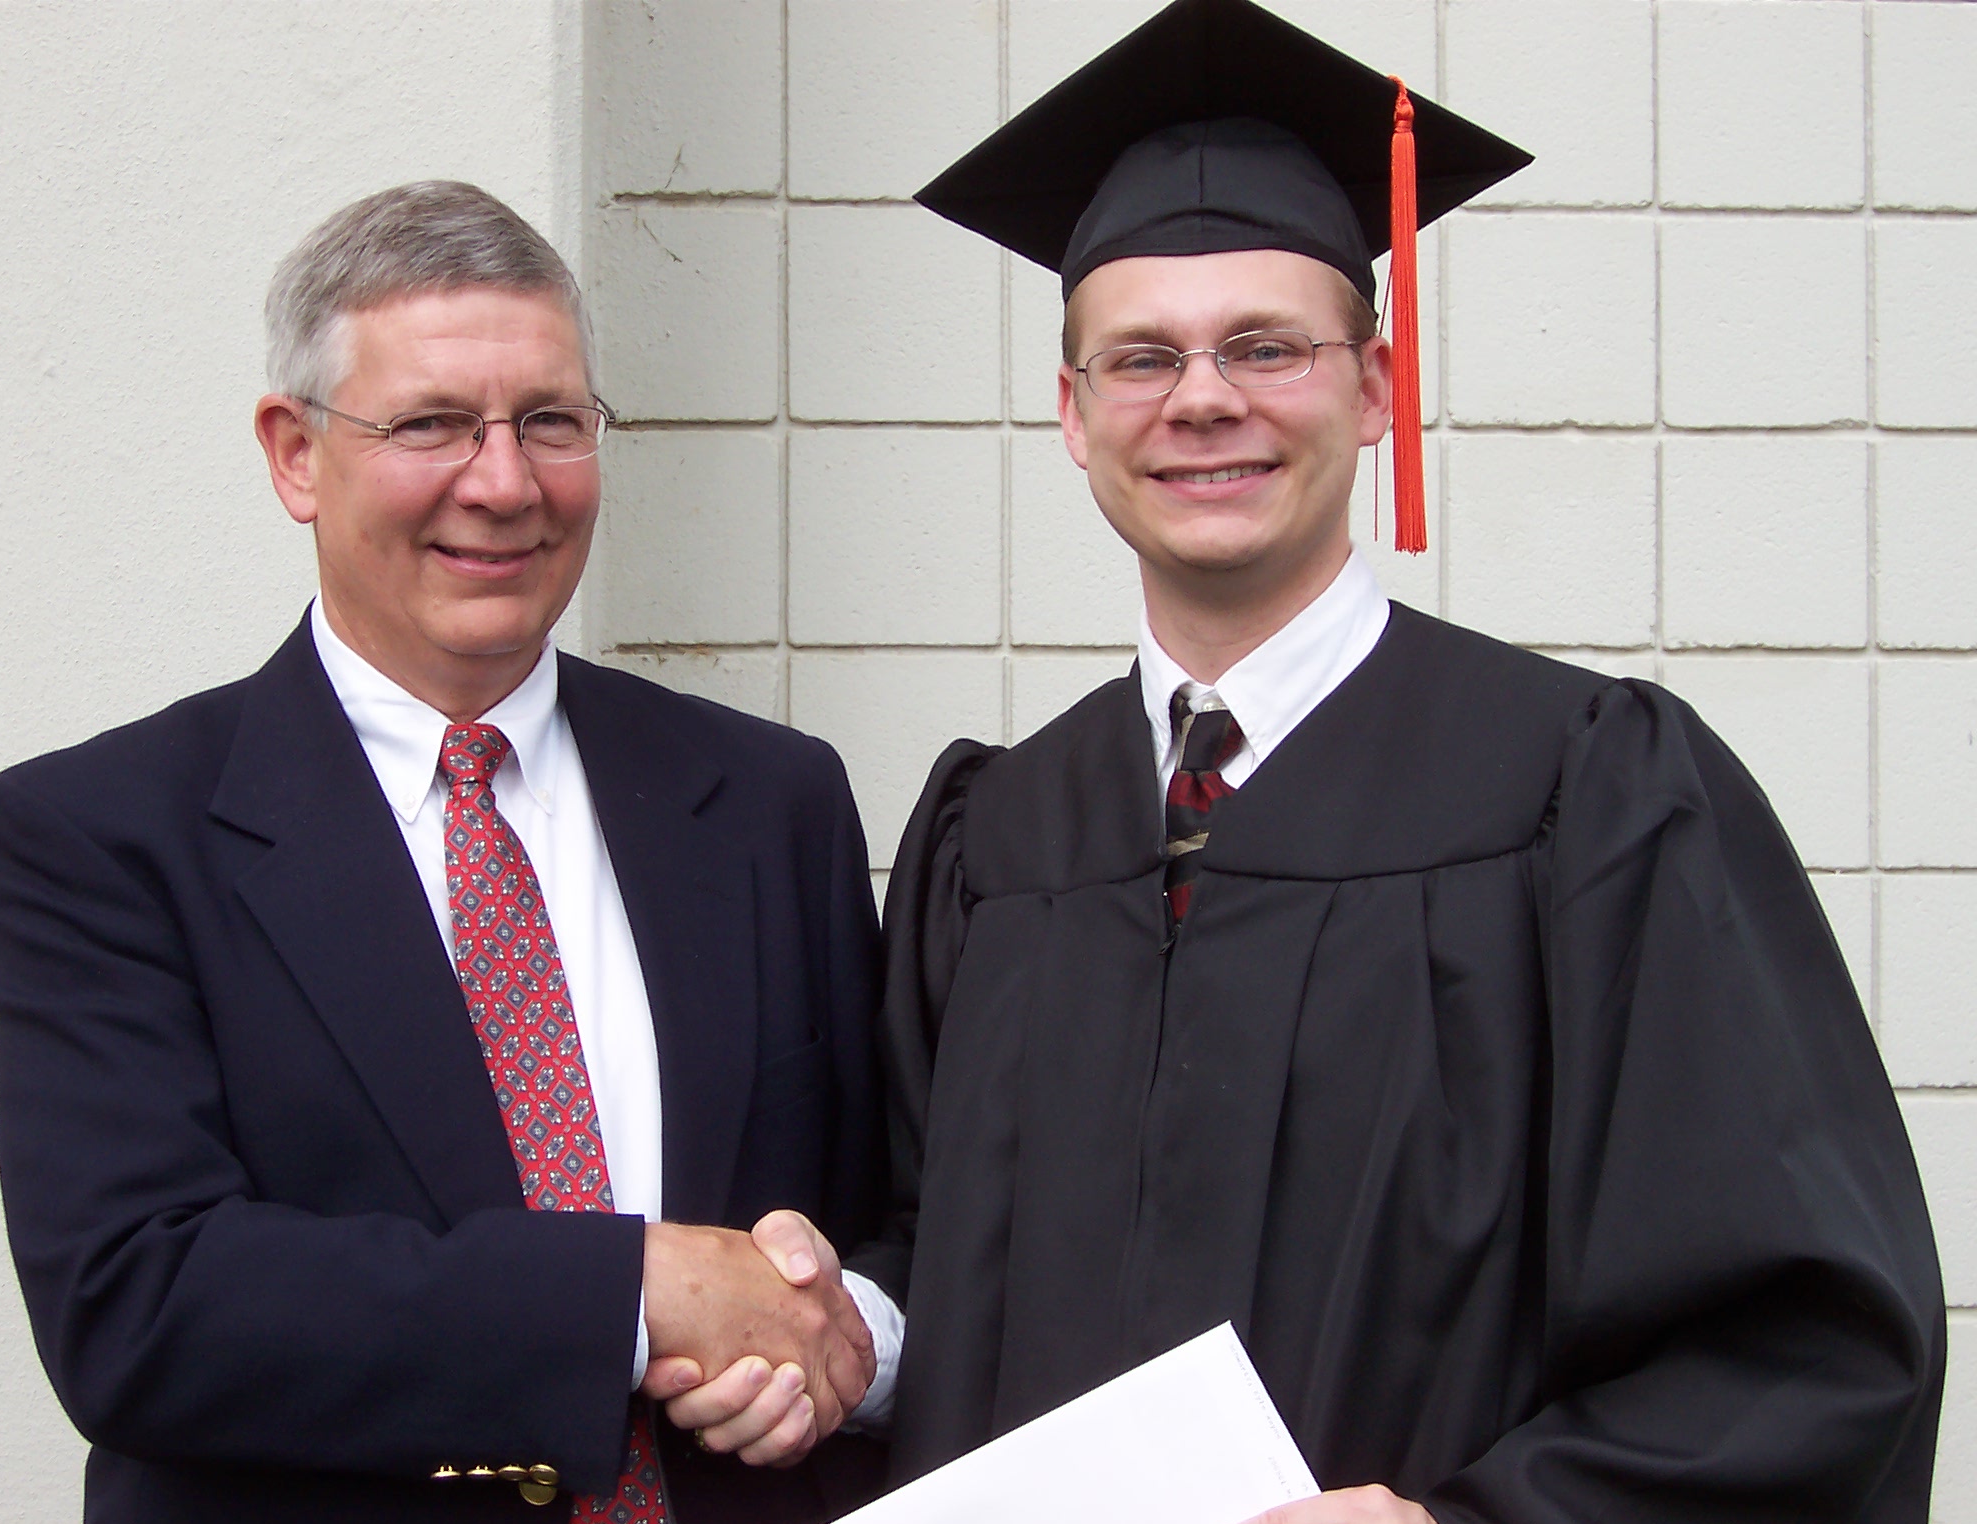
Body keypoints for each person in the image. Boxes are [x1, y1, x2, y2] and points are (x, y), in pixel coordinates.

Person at [732, 1, 1946, 1518]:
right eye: (1141, 358)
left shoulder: (1587, 790)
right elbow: (928, 1243)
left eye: (1266, 346)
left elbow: (1805, 1342)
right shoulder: (1000, 836)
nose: (1203, 398)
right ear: (1072, 414)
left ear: (1375, 388)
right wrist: (847, 1329)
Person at [0, 181, 903, 1522]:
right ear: (295, 454)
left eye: (553, 424)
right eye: (434, 425)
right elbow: (141, 1306)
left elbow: (881, 1210)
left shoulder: (768, 801)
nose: (506, 481)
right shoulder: (100, 835)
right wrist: (632, 1290)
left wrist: (843, 1331)